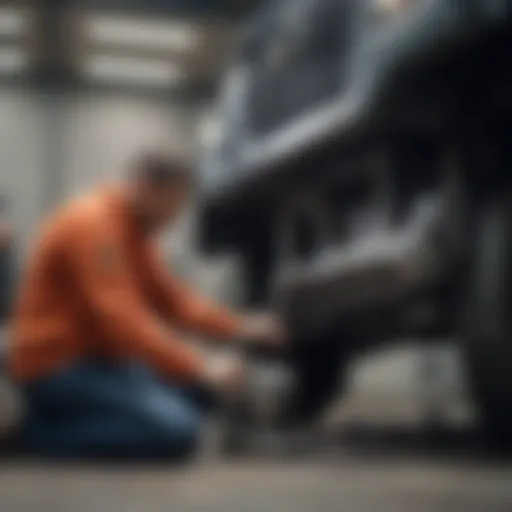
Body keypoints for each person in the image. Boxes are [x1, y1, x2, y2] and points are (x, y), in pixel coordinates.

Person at [8, 151, 285, 460]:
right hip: (57, 366)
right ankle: (39, 434)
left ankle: (87, 422)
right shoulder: (93, 224)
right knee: (177, 431)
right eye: (172, 203)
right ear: (145, 186)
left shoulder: (135, 232)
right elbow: (121, 321)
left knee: (198, 392)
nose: (174, 216)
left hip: (102, 362)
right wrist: (200, 364)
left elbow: (174, 302)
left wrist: (242, 326)